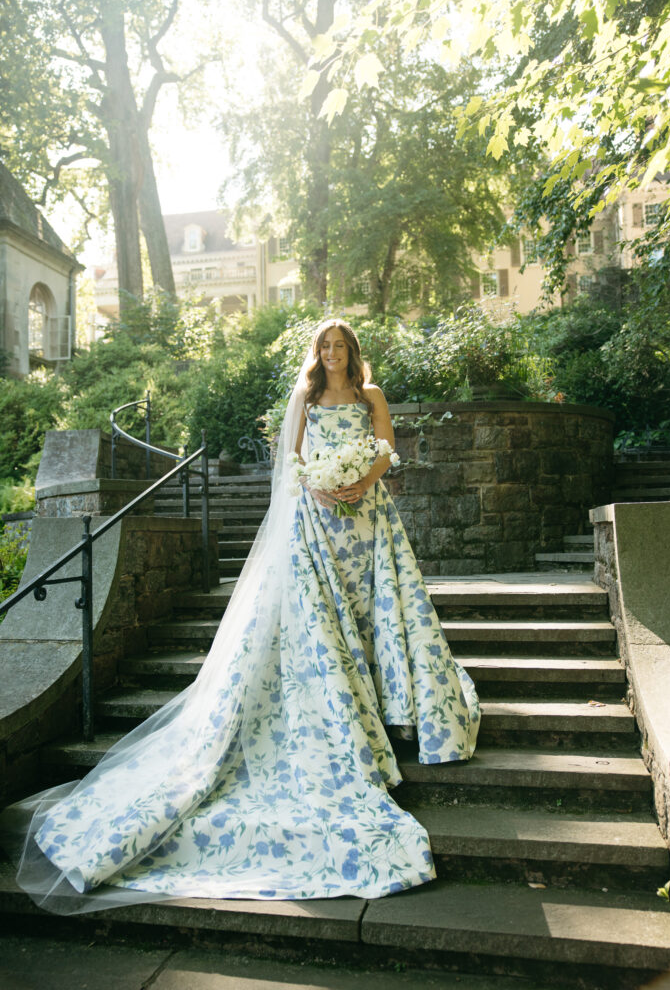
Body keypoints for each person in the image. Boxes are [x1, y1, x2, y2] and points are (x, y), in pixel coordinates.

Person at [0, 318, 479, 915]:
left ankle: (397, 706)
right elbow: (294, 460)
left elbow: (386, 448)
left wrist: (360, 481)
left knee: (379, 614)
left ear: (354, 353)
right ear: (317, 353)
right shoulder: (305, 397)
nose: (333, 354)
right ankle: (354, 715)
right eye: (325, 346)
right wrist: (322, 488)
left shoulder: (370, 396)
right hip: (317, 521)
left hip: (369, 521)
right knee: (328, 624)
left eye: (342, 346)